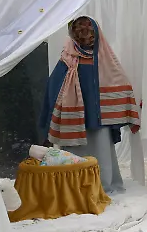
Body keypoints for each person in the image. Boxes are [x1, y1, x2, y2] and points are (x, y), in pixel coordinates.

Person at [40, 16, 139, 193]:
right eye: (81, 34)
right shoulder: (67, 59)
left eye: (89, 34)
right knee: (74, 153)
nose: (86, 38)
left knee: (101, 152)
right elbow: (54, 86)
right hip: (74, 121)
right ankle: (76, 187)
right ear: (74, 35)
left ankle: (103, 185)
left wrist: (125, 106)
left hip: (99, 117)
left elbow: (119, 81)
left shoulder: (104, 59)